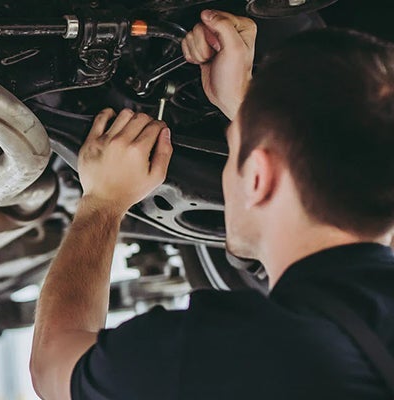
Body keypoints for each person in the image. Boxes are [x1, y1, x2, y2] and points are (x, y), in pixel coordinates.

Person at [30, 8, 394, 400]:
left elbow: (54, 366)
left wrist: (102, 203)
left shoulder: (223, 357)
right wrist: (248, 105)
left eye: (232, 149)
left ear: (258, 176)